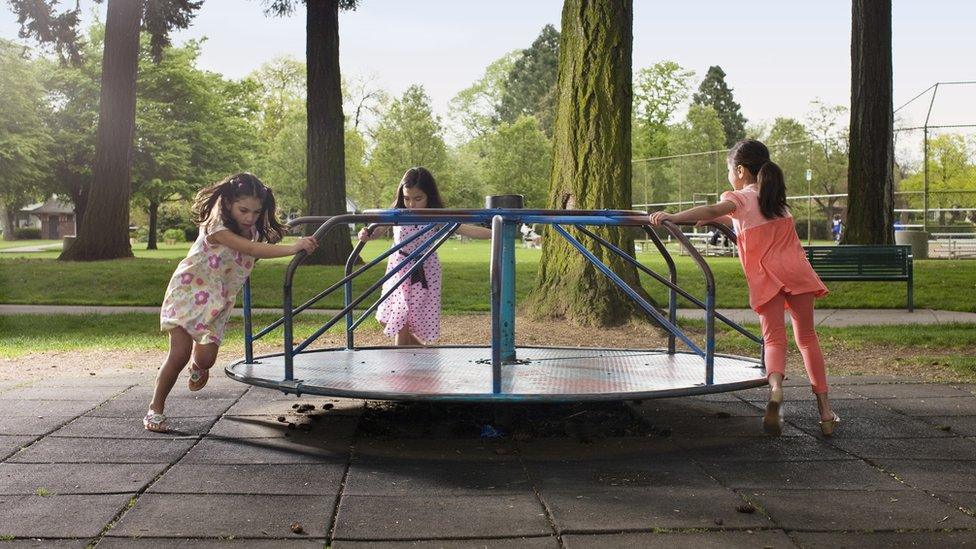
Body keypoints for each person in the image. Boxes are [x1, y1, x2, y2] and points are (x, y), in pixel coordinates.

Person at [649, 139, 839, 436]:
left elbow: (716, 208)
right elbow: (742, 216)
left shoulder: (739, 198)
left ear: (739, 171)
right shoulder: (775, 199)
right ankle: (826, 413)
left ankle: (775, 390)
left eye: (729, 170)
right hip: (798, 272)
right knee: (807, 339)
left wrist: (674, 217)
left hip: (767, 277)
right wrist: (718, 219)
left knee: (774, 340)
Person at [145, 173, 318, 432]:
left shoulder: (252, 229)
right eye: (243, 210)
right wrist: (295, 247)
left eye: (256, 212)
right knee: (178, 354)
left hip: (217, 299)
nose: (250, 217)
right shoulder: (217, 227)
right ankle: (155, 409)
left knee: (206, 359)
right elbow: (252, 250)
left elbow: (254, 249)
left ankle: (198, 365)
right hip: (187, 292)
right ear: (227, 203)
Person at [358, 167, 491, 346]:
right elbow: (377, 230)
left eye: (418, 199)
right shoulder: (398, 212)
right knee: (388, 319)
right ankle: (424, 356)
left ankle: (401, 371)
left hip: (424, 269)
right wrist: (366, 234)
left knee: (402, 320)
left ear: (429, 196)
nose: (411, 204)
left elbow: (466, 229)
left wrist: (496, 231)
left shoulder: (435, 215)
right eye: (407, 198)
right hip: (398, 267)